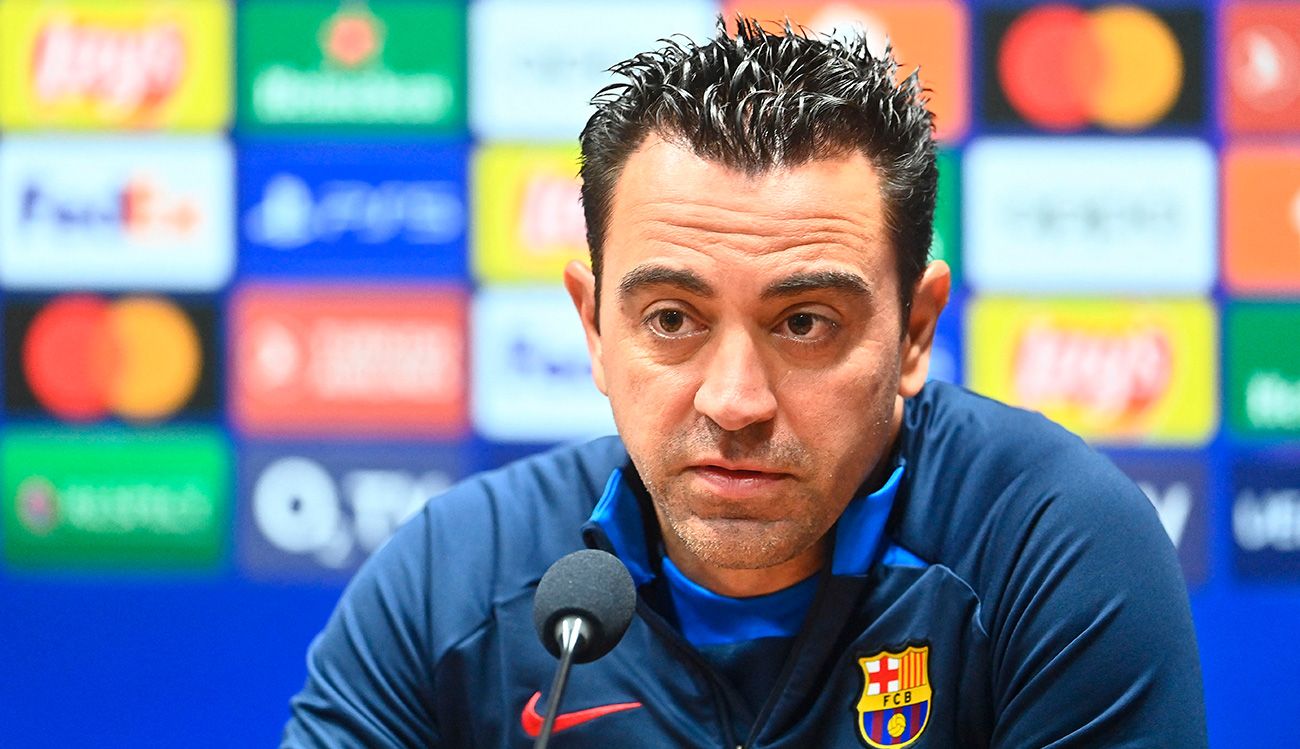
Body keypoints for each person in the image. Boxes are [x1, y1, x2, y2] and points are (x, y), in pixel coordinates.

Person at [282, 18, 1207, 748]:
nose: (733, 401)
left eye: (804, 323)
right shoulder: (454, 580)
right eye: (671, 319)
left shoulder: (1047, 547)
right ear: (593, 327)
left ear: (915, 332)